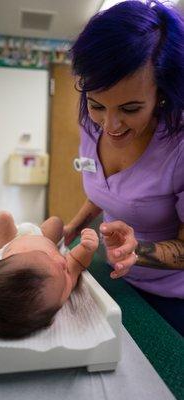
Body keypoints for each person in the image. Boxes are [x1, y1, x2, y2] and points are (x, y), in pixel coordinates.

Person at [64, 0, 184, 335]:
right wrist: (73, 227)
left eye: (130, 108)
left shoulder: (178, 149)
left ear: (162, 94)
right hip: (117, 279)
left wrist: (138, 251)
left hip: (171, 298)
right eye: (97, 104)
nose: (110, 124)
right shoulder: (90, 124)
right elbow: (109, 191)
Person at [0, 211, 99, 339]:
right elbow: (76, 262)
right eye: (64, 273)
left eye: (45, 256)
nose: (62, 262)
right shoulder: (62, 289)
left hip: (11, 241)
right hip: (44, 237)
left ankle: (0, 239)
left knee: (2, 218)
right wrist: (87, 249)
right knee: (56, 222)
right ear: (50, 319)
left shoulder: (1, 272)